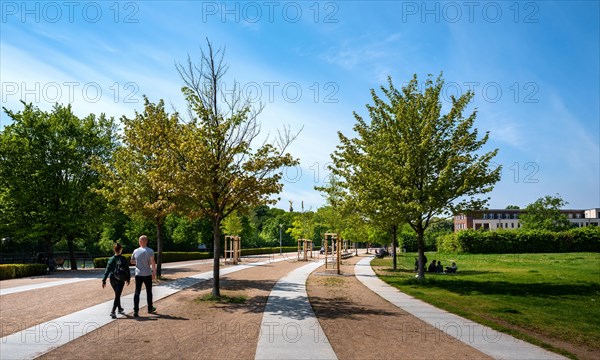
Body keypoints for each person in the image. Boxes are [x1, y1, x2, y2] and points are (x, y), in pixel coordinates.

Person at [102, 243, 130, 318]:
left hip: (112, 279)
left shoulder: (110, 259)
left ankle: (120, 308)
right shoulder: (123, 259)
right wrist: (128, 278)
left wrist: (104, 280)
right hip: (120, 279)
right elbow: (127, 269)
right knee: (117, 295)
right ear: (120, 249)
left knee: (117, 294)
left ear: (114, 250)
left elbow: (107, 270)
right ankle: (113, 311)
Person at [131, 235, 157, 317]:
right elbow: (152, 262)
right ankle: (150, 308)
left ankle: (136, 310)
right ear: (146, 241)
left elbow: (131, 261)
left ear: (140, 242)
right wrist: (154, 272)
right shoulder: (150, 251)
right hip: (147, 273)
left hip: (138, 274)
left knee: (137, 292)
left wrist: (138, 262)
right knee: (149, 291)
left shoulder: (135, 251)